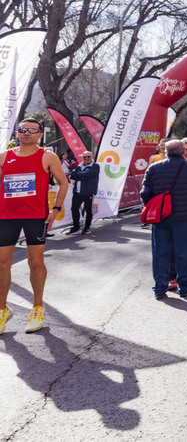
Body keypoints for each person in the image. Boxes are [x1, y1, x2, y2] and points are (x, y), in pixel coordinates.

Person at [0, 119, 69, 333]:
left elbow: (63, 182)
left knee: (36, 262)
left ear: (40, 135)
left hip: (35, 217)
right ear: (17, 134)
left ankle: (37, 308)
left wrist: (55, 209)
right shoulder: (4, 156)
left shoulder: (48, 156)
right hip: (6, 216)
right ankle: (2, 310)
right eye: (22, 130)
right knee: (2, 263)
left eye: (32, 131)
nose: (26, 133)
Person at [140, 139, 187, 299]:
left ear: (166, 151)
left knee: (160, 253)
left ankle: (160, 288)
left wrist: (153, 207)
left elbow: (144, 192)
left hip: (161, 217)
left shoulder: (154, 168)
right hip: (185, 218)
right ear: (183, 150)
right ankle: (184, 287)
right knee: (185, 252)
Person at [66, 151, 99, 235]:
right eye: (84, 157)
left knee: (88, 210)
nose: (86, 158)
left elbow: (87, 174)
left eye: (88, 156)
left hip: (88, 192)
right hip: (77, 192)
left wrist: (79, 175)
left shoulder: (95, 166)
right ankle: (76, 227)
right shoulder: (79, 166)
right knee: (74, 209)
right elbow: (74, 175)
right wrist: (81, 175)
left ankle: (87, 227)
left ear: (92, 157)